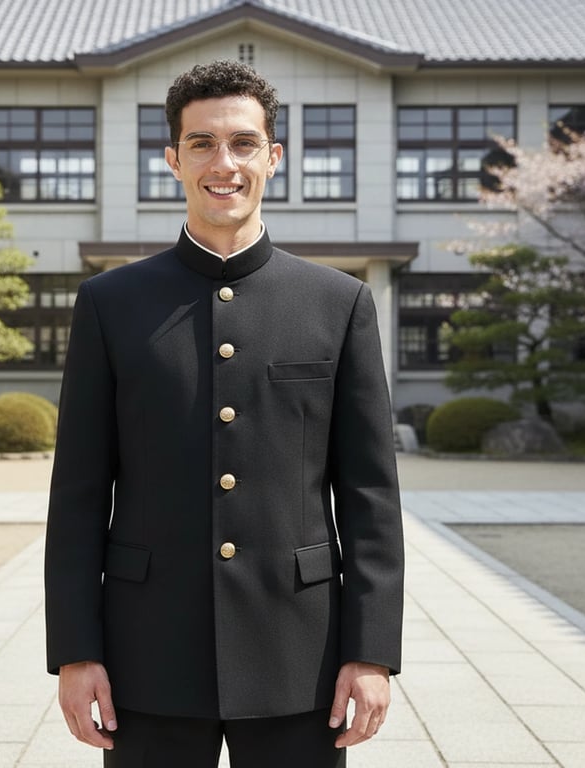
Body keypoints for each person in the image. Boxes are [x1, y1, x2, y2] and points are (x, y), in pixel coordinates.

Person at [44, 59, 404, 768]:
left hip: (301, 650)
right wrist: (76, 652)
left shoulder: (337, 305)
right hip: (147, 651)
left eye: (242, 143)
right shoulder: (111, 305)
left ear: (274, 157)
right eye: (202, 143)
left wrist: (371, 653)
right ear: (173, 159)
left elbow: (369, 495)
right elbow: (79, 492)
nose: (224, 163)